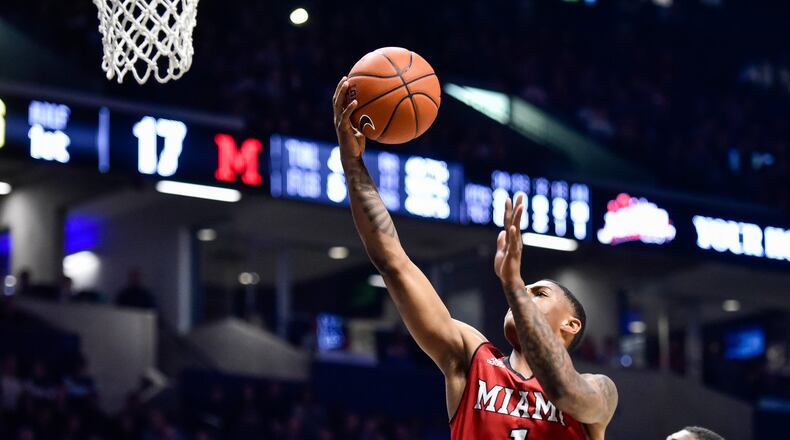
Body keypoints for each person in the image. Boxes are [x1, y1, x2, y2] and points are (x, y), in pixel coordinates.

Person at [333, 77, 618, 439]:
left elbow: (564, 391)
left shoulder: (600, 389)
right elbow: (394, 263)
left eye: (539, 293)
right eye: (526, 290)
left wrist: (514, 285)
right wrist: (353, 164)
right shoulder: (472, 358)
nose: (525, 296)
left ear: (571, 325)